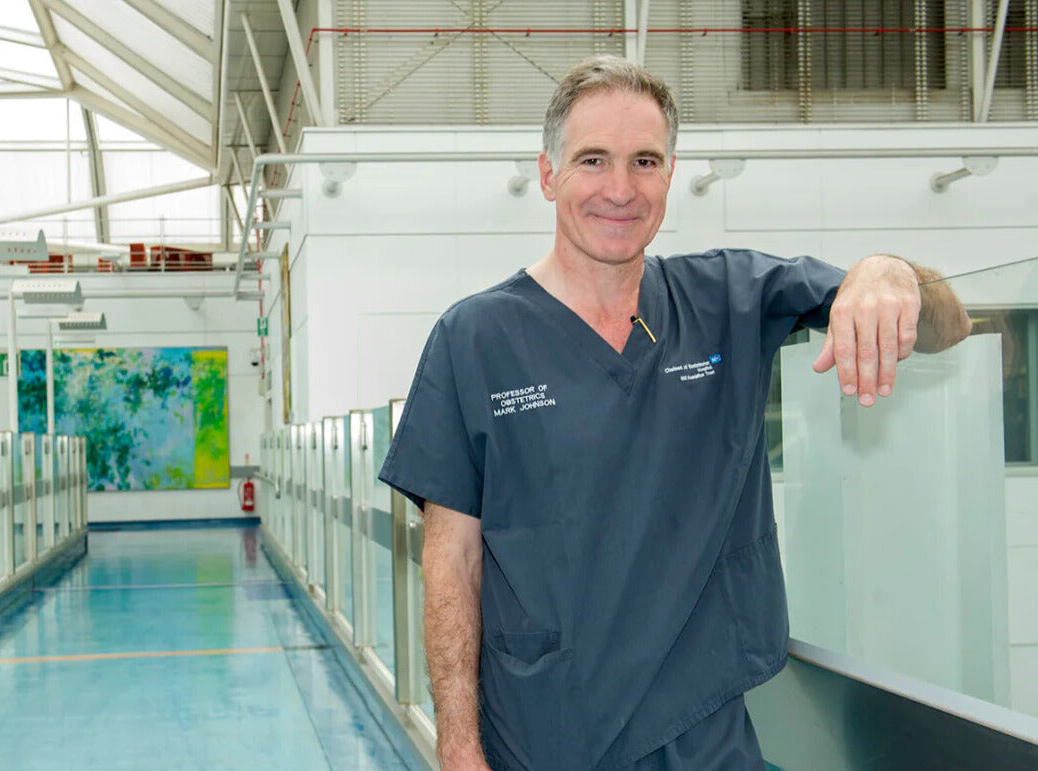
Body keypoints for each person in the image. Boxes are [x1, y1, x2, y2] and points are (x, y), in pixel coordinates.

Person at [377, 55, 972, 771]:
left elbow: (948, 323)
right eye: (593, 159)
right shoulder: (474, 339)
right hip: (543, 737)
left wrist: (888, 272)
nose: (620, 189)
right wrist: (458, 745)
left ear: (669, 175)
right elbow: (451, 564)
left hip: (704, 738)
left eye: (645, 161)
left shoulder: (728, 299)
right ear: (547, 174)